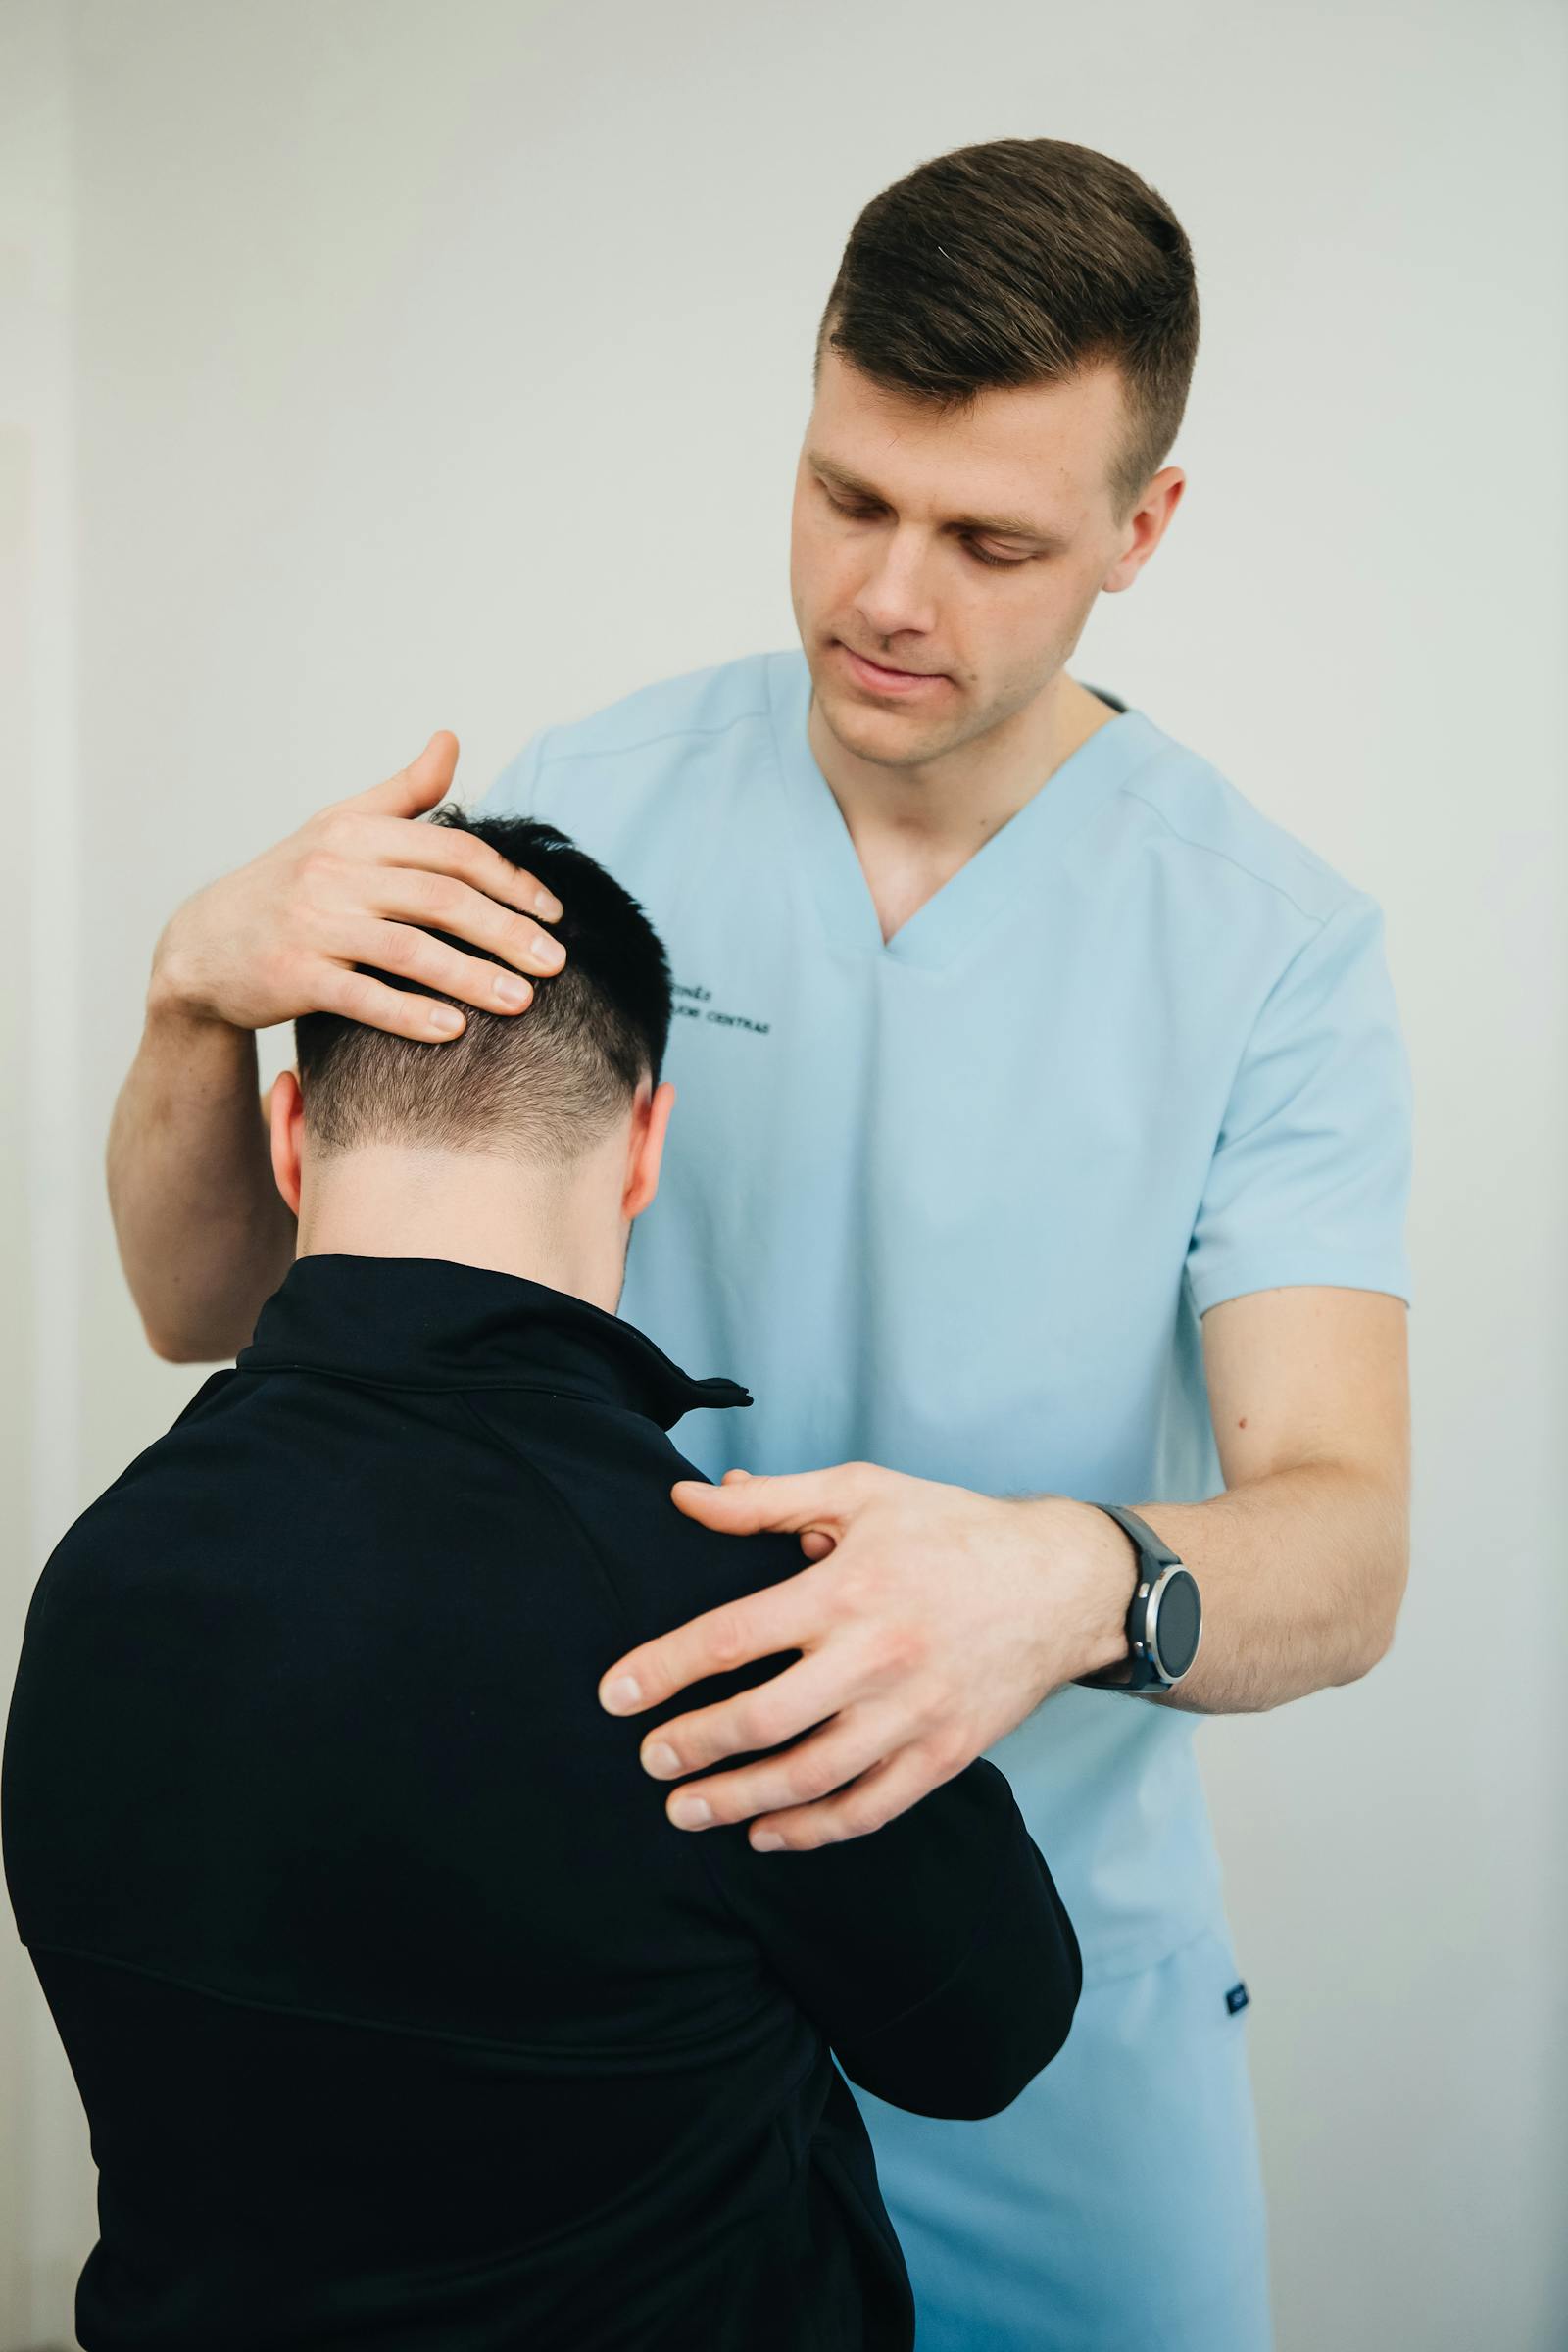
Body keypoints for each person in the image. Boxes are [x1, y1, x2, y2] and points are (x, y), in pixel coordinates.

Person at [102, 136, 1414, 2351]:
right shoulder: (590, 808)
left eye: (988, 538)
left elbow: (1343, 1549)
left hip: (1041, 2008)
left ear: (1138, 530)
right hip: (617, 1998)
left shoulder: (1268, 948)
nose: (887, 596)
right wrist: (183, 1002)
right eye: (845, 495)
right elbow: (208, 1308)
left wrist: (1060, 1575)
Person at [3, 808, 1082, 2352]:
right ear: (645, 1145)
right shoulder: (731, 1617)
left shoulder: (97, 1569)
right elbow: (991, 2035)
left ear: (293, 1131)